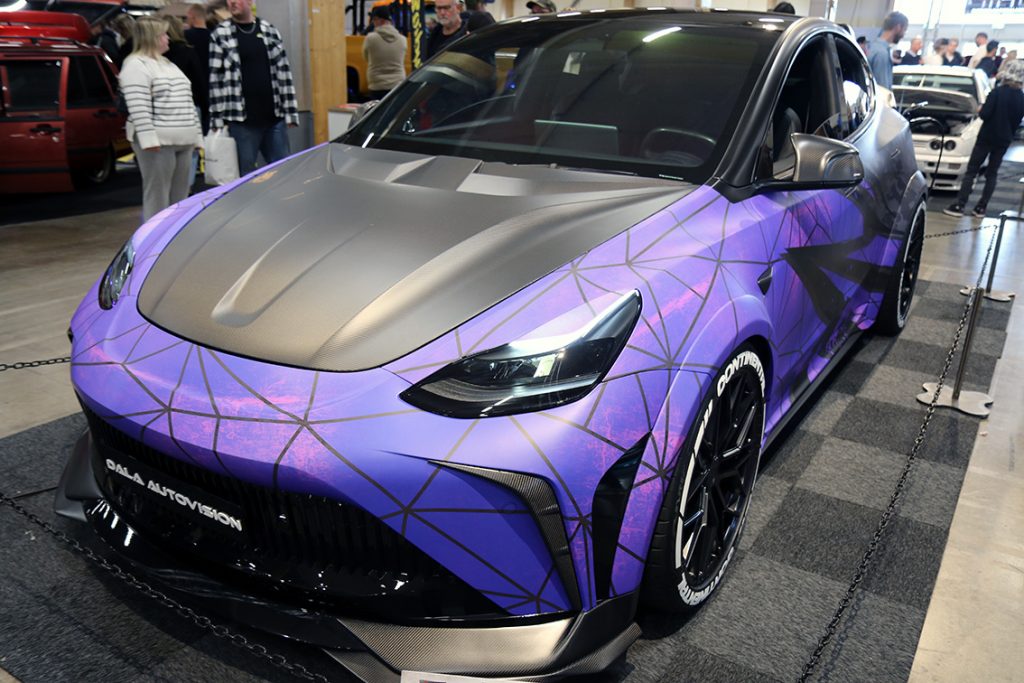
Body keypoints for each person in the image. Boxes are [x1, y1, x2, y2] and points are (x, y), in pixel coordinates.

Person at [119, 16, 202, 221]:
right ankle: (154, 237)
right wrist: (148, 138)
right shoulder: (135, 65)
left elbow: (187, 100)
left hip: (184, 140)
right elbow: (138, 106)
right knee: (157, 197)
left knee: (180, 199)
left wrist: (197, 135)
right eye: (164, 34)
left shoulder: (167, 63)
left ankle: (175, 235)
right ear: (152, 37)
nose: (168, 38)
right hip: (159, 143)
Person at [208, 0, 299, 176]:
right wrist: (216, 119)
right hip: (241, 121)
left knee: (283, 171)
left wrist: (290, 111)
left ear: (250, 2)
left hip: (274, 118)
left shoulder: (269, 30)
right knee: (246, 176)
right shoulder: (220, 34)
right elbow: (215, 80)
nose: (232, 2)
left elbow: (284, 72)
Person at [944, 60, 1024, 219]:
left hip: (987, 136)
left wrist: (981, 108)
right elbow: (1018, 121)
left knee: (972, 171)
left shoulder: (997, 93)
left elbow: (984, 114)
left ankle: (960, 205)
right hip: (1004, 139)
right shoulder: (1021, 98)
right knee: (992, 173)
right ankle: (981, 208)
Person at [363, 5, 406, 99]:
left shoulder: (370, 38)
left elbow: (366, 57)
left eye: (374, 20)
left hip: (377, 85)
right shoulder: (403, 39)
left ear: (381, 20)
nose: (373, 23)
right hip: (397, 84)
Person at [867, 12, 907, 90]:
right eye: (904, 30)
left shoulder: (872, 47)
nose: (903, 35)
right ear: (898, 27)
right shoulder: (882, 53)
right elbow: (883, 89)